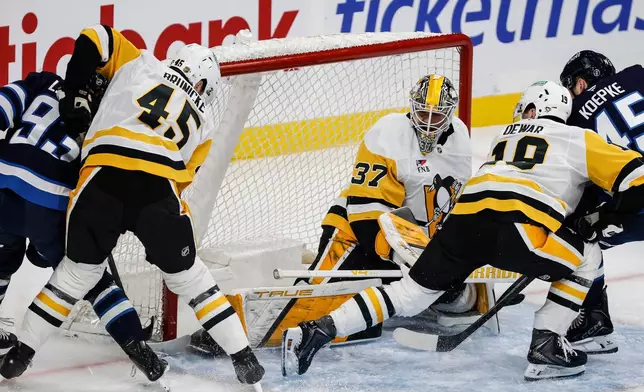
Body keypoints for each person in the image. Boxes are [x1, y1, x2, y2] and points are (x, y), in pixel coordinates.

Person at [281, 80, 644, 381]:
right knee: (588, 255)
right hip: (519, 228)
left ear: (529, 110)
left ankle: (322, 327)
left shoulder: (505, 137)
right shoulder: (578, 138)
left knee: (409, 293)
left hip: (463, 223)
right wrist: (601, 217)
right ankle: (547, 343)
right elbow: (638, 177)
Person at [0, 25, 264, 387]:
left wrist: (77, 93)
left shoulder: (140, 63)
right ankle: (244, 358)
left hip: (99, 179)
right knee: (192, 278)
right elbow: (183, 180)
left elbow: (94, 35)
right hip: (156, 192)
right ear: (204, 86)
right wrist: (162, 240)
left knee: (77, 275)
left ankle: (21, 354)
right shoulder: (202, 124)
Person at [188, 74, 477, 355]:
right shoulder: (388, 134)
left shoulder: (460, 141)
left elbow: (454, 208)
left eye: (436, 116)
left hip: (412, 245)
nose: (427, 123)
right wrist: (410, 259)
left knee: (451, 295)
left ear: (449, 115)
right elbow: (366, 212)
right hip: (357, 232)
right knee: (315, 299)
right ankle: (230, 333)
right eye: (422, 113)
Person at [0, 71, 154, 358]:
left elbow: (4, 103)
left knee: (2, 256)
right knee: (86, 274)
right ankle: (135, 343)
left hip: (2, 177)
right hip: (47, 200)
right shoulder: (107, 116)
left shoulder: (45, 82)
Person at [556, 50, 644, 354]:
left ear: (580, 84)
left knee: (574, 234)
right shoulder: (638, 75)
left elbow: (581, 190)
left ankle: (593, 319)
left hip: (638, 201)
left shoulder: (572, 118)